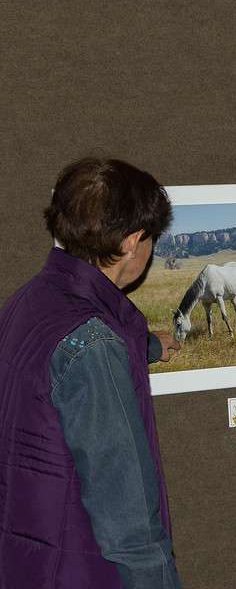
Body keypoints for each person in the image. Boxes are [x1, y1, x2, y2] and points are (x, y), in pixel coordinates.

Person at [0, 158, 183, 588]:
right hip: (79, 564)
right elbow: (126, 508)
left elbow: (54, 369)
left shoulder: (28, 302)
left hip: (26, 550)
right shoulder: (92, 346)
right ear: (133, 241)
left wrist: (150, 344)